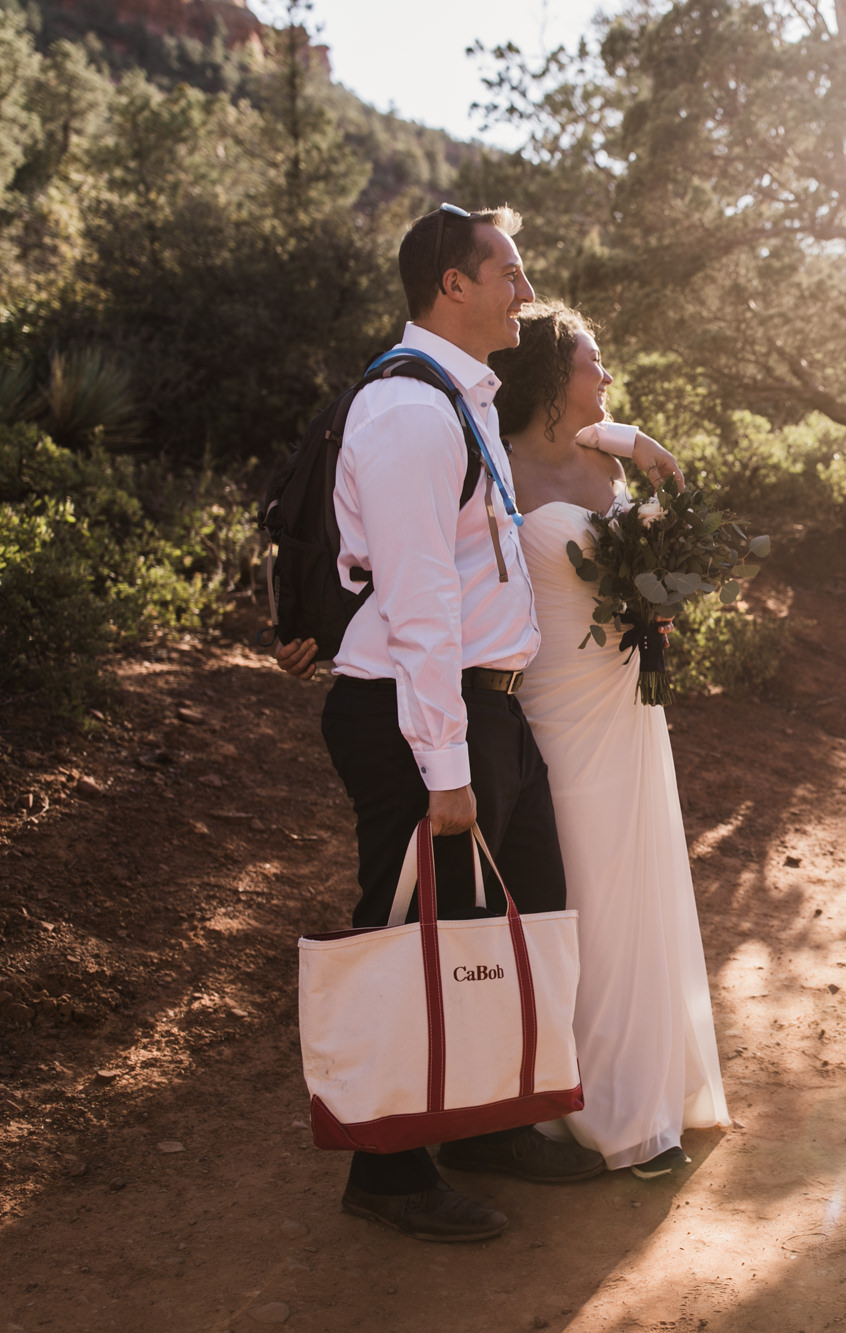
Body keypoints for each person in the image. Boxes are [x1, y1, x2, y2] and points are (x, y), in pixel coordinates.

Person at [274, 205, 608, 1241]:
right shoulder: (408, 412)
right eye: (507, 270)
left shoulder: (461, 402)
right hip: (420, 713)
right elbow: (419, 606)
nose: (523, 289)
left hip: (483, 705)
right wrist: (446, 765)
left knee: (513, 911)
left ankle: (473, 1122)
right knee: (405, 936)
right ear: (450, 287)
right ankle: (385, 1170)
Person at [488, 301, 730, 1178]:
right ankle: (573, 1099)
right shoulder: (498, 464)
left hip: (626, 699)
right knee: (577, 894)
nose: (608, 378)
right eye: (596, 365)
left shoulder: (603, 455)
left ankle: (641, 1090)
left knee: (633, 887)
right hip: (551, 703)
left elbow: (675, 526)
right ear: (555, 378)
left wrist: (634, 444)